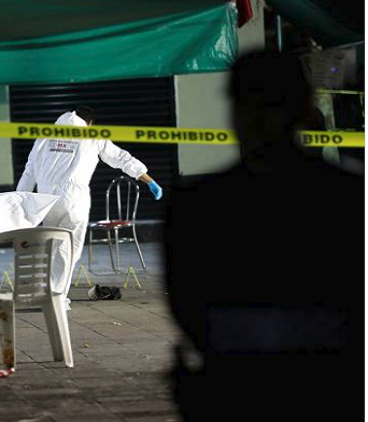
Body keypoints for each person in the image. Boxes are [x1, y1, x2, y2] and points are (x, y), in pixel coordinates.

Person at [164, 50, 363, 422]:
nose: (257, 117)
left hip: (247, 386)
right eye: (249, 102)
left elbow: (188, 304)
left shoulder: (199, 204)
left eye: (269, 103)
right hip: (324, 386)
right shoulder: (350, 197)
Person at [16, 106, 163, 306]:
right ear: (90, 123)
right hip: (74, 200)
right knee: (68, 249)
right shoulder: (92, 136)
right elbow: (121, 158)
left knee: (53, 247)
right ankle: (56, 299)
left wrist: (19, 201)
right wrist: (149, 180)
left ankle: (49, 293)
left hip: (46, 200)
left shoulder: (45, 136)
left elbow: (29, 171)